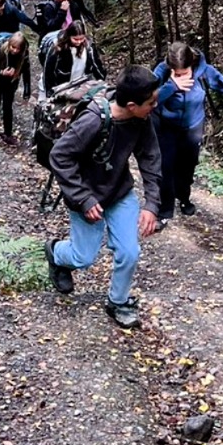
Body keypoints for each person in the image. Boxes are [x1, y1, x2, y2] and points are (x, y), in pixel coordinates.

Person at [45, 65, 162, 329]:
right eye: (151, 103)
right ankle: (55, 252)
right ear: (131, 105)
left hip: (119, 193)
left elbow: (150, 158)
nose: (155, 107)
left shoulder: (141, 120)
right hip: (86, 197)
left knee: (129, 252)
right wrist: (83, 198)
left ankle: (118, 302)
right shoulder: (93, 120)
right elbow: (59, 156)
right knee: (83, 258)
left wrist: (152, 204)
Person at [152, 40, 223, 222]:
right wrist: (171, 86)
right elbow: (149, 100)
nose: (180, 77)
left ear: (192, 65)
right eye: (176, 74)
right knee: (165, 167)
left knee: (187, 167)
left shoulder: (205, 72)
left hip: (193, 127)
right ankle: (165, 210)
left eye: (184, 74)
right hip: (166, 126)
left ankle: (184, 198)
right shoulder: (161, 73)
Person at [41, 19, 105, 98]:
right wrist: (50, 93)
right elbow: (48, 72)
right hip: (61, 86)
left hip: (80, 84)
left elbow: (97, 65)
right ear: (69, 36)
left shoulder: (89, 47)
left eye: (81, 39)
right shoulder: (57, 48)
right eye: (75, 39)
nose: (79, 42)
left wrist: (101, 81)